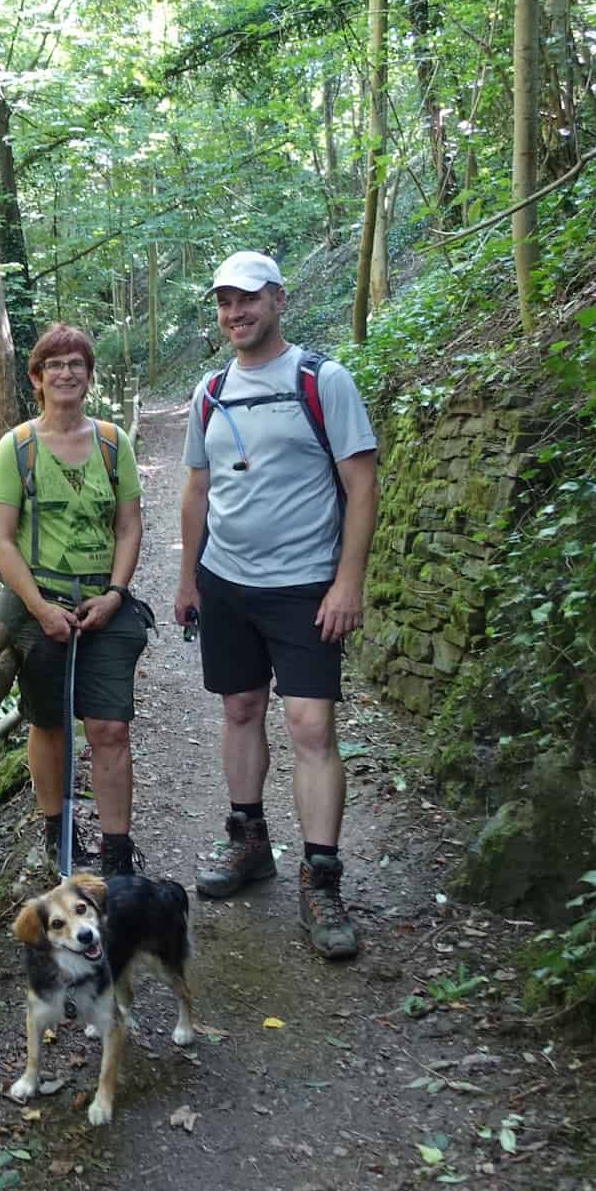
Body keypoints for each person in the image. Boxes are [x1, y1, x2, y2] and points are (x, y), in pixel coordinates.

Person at [172, 251, 379, 959]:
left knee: (310, 724)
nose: (236, 313)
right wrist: (187, 578)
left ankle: (321, 878)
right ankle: (248, 842)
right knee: (238, 710)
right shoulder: (209, 391)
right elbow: (197, 490)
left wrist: (347, 581)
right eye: (225, 302)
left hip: (303, 585)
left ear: (279, 301)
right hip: (226, 581)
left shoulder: (322, 381)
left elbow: (361, 484)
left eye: (248, 299)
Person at [0, 324, 151, 877]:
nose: (65, 373)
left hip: (104, 605)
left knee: (109, 728)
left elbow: (129, 527)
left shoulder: (111, 442)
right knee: (49, 723)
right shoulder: (18, 447)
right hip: (42, 604)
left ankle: (117, 855)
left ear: (88, 375)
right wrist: (38, 608)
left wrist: (115, 594)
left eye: (75, 363)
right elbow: (1, 537)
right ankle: (58, 836)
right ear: (36, 378)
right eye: (53, 365)